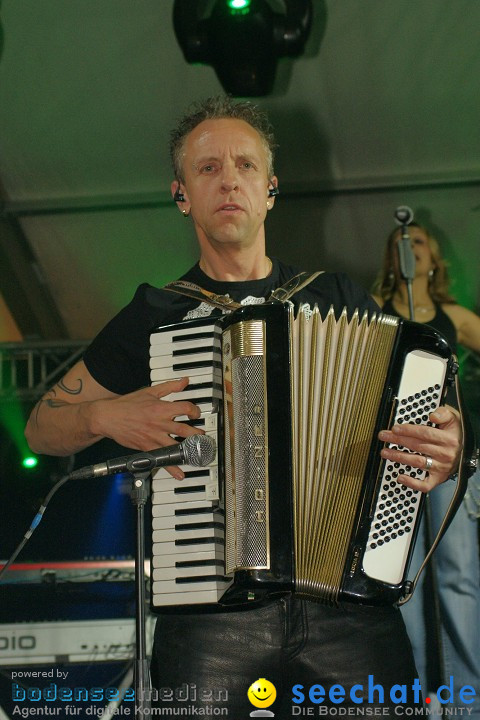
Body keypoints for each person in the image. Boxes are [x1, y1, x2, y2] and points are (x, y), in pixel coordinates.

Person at [25, 97, 465, 717]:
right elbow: (42, 425)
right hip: (210, 616)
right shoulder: (155, 315)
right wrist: (106, 415)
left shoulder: (337, 296)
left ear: (270, 189)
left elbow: (434, 405)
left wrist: (450, 442)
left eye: (245, 166)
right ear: (181, 194)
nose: (229, 179)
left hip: (349, 608)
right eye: (207, 169)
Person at [372, 222, 480, 717]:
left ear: (432, 257)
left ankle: (467, 701)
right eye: (400, 244)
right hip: (396, 457)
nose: (408, 249)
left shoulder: (455, 316)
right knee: (400, 573)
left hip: (446, 455)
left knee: (457, 572)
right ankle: (410, 695)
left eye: (416, 242)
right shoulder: (374, 313)